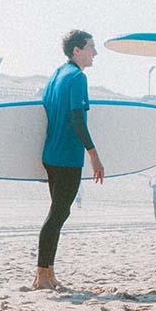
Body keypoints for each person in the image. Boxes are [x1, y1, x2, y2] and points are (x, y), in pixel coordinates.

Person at [33, 30, 105, 291]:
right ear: (77, 50)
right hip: (67, 157)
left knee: (58, 212)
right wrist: (94, 156)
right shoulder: (77, 77)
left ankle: (48, 273)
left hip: (51, 155)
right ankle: (42, 275)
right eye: (91, 48)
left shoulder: (56, 76)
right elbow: (77, 119)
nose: (94, 53)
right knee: (57, 214)